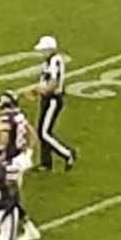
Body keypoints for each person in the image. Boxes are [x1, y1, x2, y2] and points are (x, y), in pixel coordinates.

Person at [29, 35, 74, 172]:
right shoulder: (49, 62)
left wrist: (40, 91)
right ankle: (45, 163)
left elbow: (53, 83)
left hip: (53, 99)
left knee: (44, 133)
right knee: (42, 130)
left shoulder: (55, 61)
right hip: (47, 99)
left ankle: (67, 154)